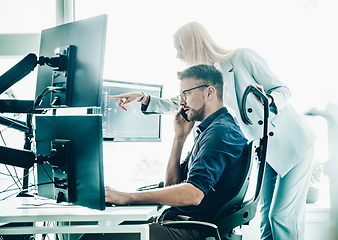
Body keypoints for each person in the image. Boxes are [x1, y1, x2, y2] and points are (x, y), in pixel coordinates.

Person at [110, 22, 316, 240]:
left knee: (281, 217)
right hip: (267, 152)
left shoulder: (241, 58)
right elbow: (180, 103)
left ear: (193, 43)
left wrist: (269, 101)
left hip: (293, 144)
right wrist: (143, 98)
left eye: (180, 49)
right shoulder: (209, 81)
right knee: (266, 219)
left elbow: (283, 89)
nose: (179, 56)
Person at [80, 64, 249, 240]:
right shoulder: (211, 129)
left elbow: (193, 194)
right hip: (181, 223)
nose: (182, 102)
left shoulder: (220, 133)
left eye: (186, 94)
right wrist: (179, 138)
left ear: (209, 92)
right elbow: (172, 185)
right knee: (102, 232)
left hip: (192, 230)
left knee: (96, 237)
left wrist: (125, 197)